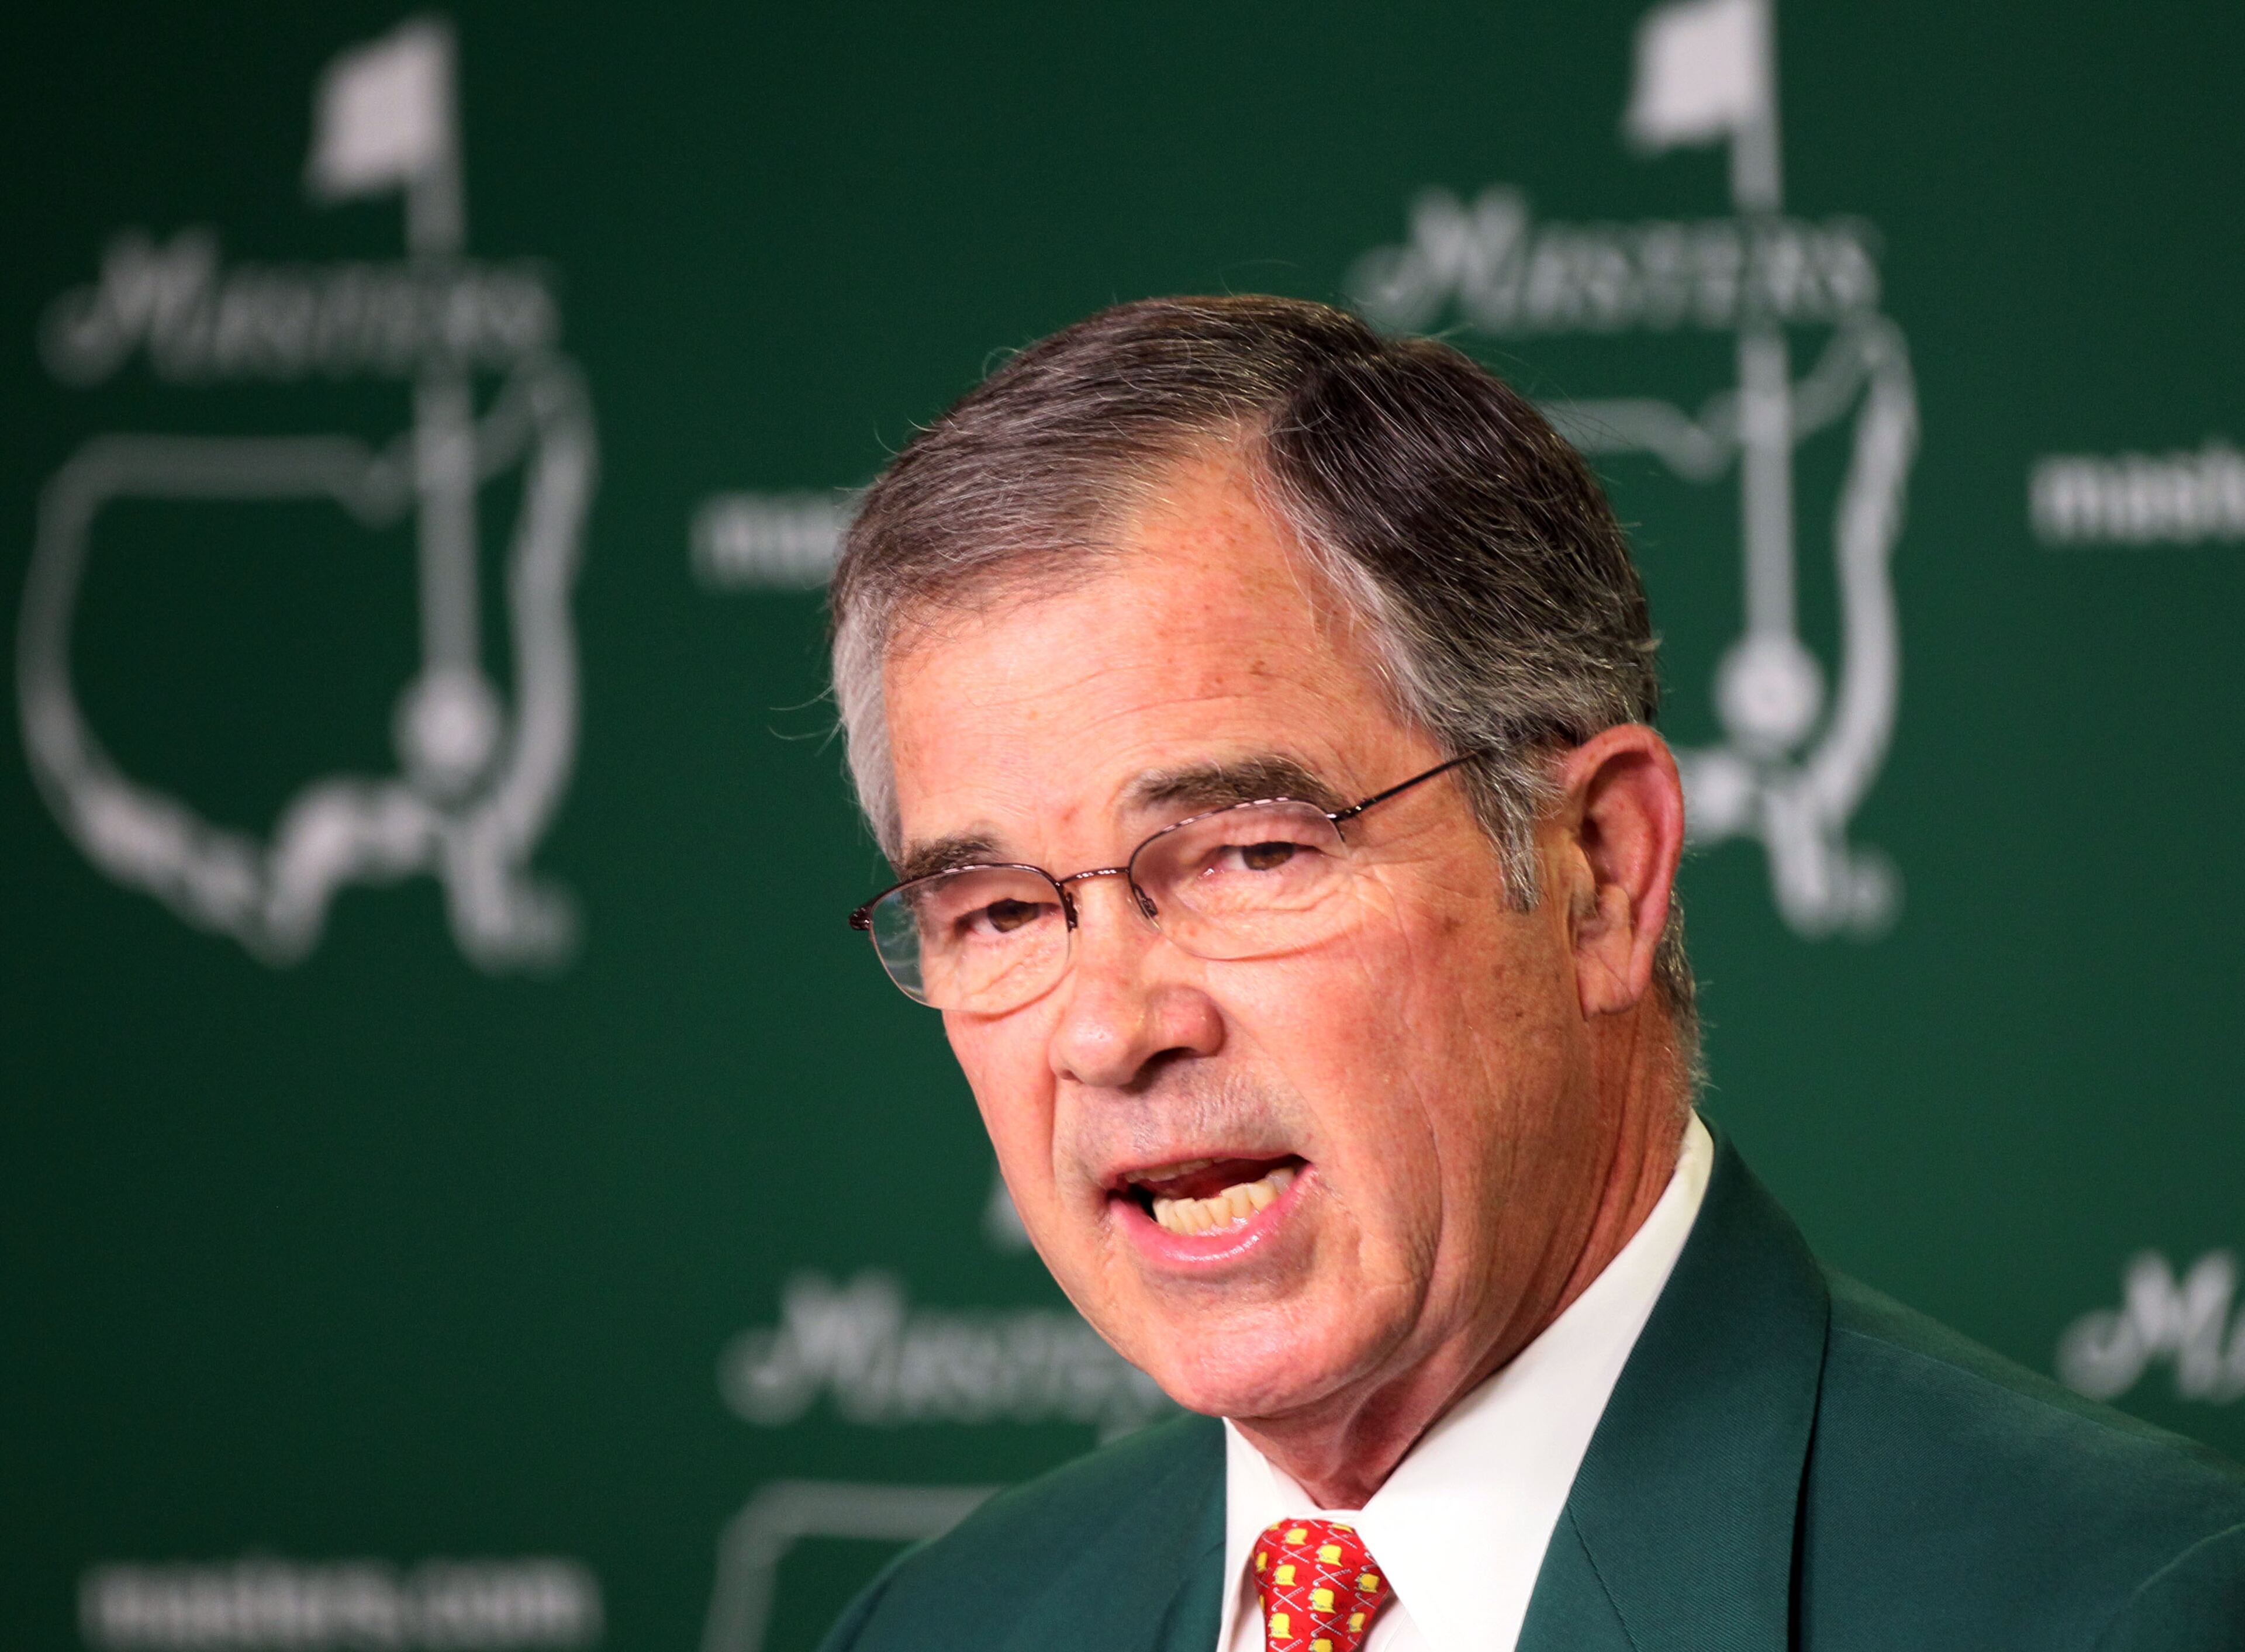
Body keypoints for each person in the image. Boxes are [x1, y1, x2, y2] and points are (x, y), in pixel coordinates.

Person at [816, 296, 2245, 1650]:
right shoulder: (942, 1624)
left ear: (1600, 872)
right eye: (998, 913)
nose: (1112, 1031)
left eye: (1250, 855)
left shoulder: (2127, 1607)